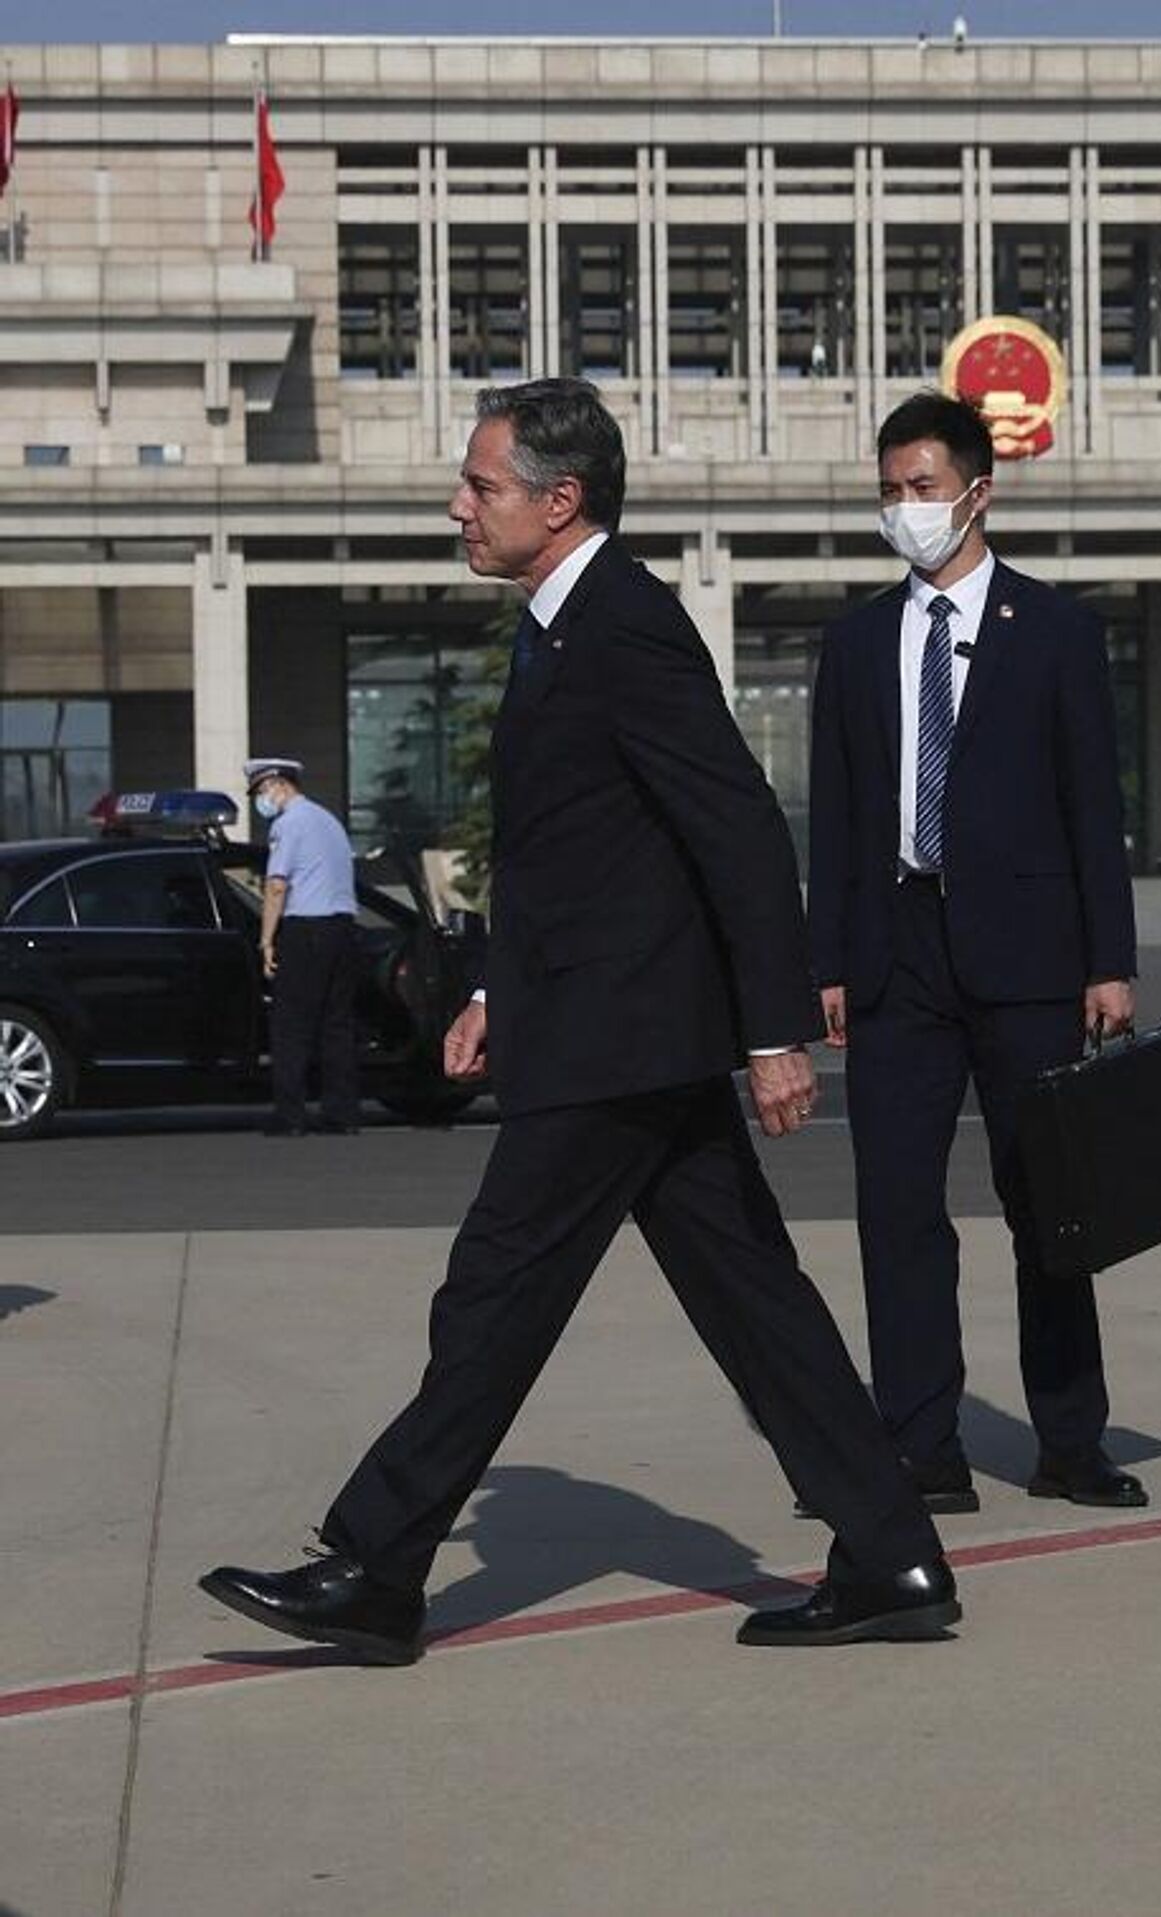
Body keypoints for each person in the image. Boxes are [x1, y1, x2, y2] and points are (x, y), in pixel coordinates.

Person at [201, 378, 957, 1663]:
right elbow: (573, 854)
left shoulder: (628, 625)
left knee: (494, 1294)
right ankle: (891, 1555)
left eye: (480, 485)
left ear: (559, 501)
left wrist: (774, 1031)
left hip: (621, 1040)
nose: (459, 506)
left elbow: (736, 827)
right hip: (612, 1028)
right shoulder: (558, 628)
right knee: (755, 1303)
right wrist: (495, 990)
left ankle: (377, 1566)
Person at [807, 390, 1144, 1515]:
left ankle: (1071, 1441)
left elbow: (1094, 806)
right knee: (897, 1208)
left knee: (1050, 1206)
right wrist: (827, 962)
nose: (905, 508)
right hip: (895, 951)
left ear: (977, 493)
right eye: (890, 490)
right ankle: (921, 1444)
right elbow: (837, 813)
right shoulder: (857, 643)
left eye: (924, 487)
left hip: (1031, 957)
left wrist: (1109, 960)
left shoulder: (1055, 632)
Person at [244, 757, 360, 1136]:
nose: (262, 800)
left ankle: (290, 1115)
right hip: (342, 929)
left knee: (291, 1025)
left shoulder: (289, 824)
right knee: (336, 1025)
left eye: (262, 791)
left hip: (307, 929)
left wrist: (266, 941)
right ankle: (341, 1113)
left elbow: (277, 886)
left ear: (280, 785)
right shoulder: (328, 821)